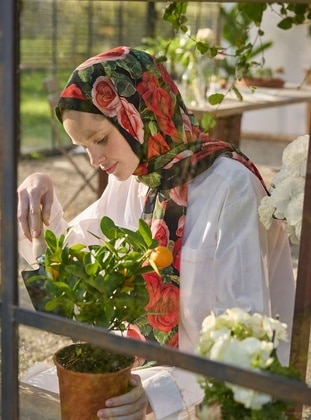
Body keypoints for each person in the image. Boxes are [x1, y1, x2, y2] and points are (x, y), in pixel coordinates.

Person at [17, 46, 296, 419]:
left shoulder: (231, 188)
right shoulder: (138, 175)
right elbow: (75, 266)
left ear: (138, 115)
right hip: (140, 381)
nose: (94, 161)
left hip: (212, 397)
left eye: (99, 139)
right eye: (83, 147)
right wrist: (42, 198)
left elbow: (248, 336)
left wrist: (158, 394)